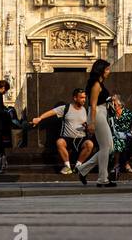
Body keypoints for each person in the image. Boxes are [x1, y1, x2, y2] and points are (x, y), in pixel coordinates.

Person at [29, 88, 94, 174]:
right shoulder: (66, 108)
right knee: (60, 142)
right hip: (67, 138)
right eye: (81, 98)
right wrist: (40, 118)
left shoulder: (86, 110)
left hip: (80, 138)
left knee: (90, 144)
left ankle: (78, 166)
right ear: (75, 98)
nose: (84, 100)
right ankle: (67, 167)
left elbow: (90, 126)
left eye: (85, 98)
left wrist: (87, 126)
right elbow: (51, 112)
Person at [74, 59, 116, 187]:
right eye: (107, 69)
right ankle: (103, 178)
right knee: (106, 147)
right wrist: (91, 122)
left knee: (109, 148)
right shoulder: (96, 84)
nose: (109, 72)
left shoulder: (100, 84)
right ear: (101, 70)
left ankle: (83, 169)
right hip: (97, 113)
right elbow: (93, 105)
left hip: (101, 112)